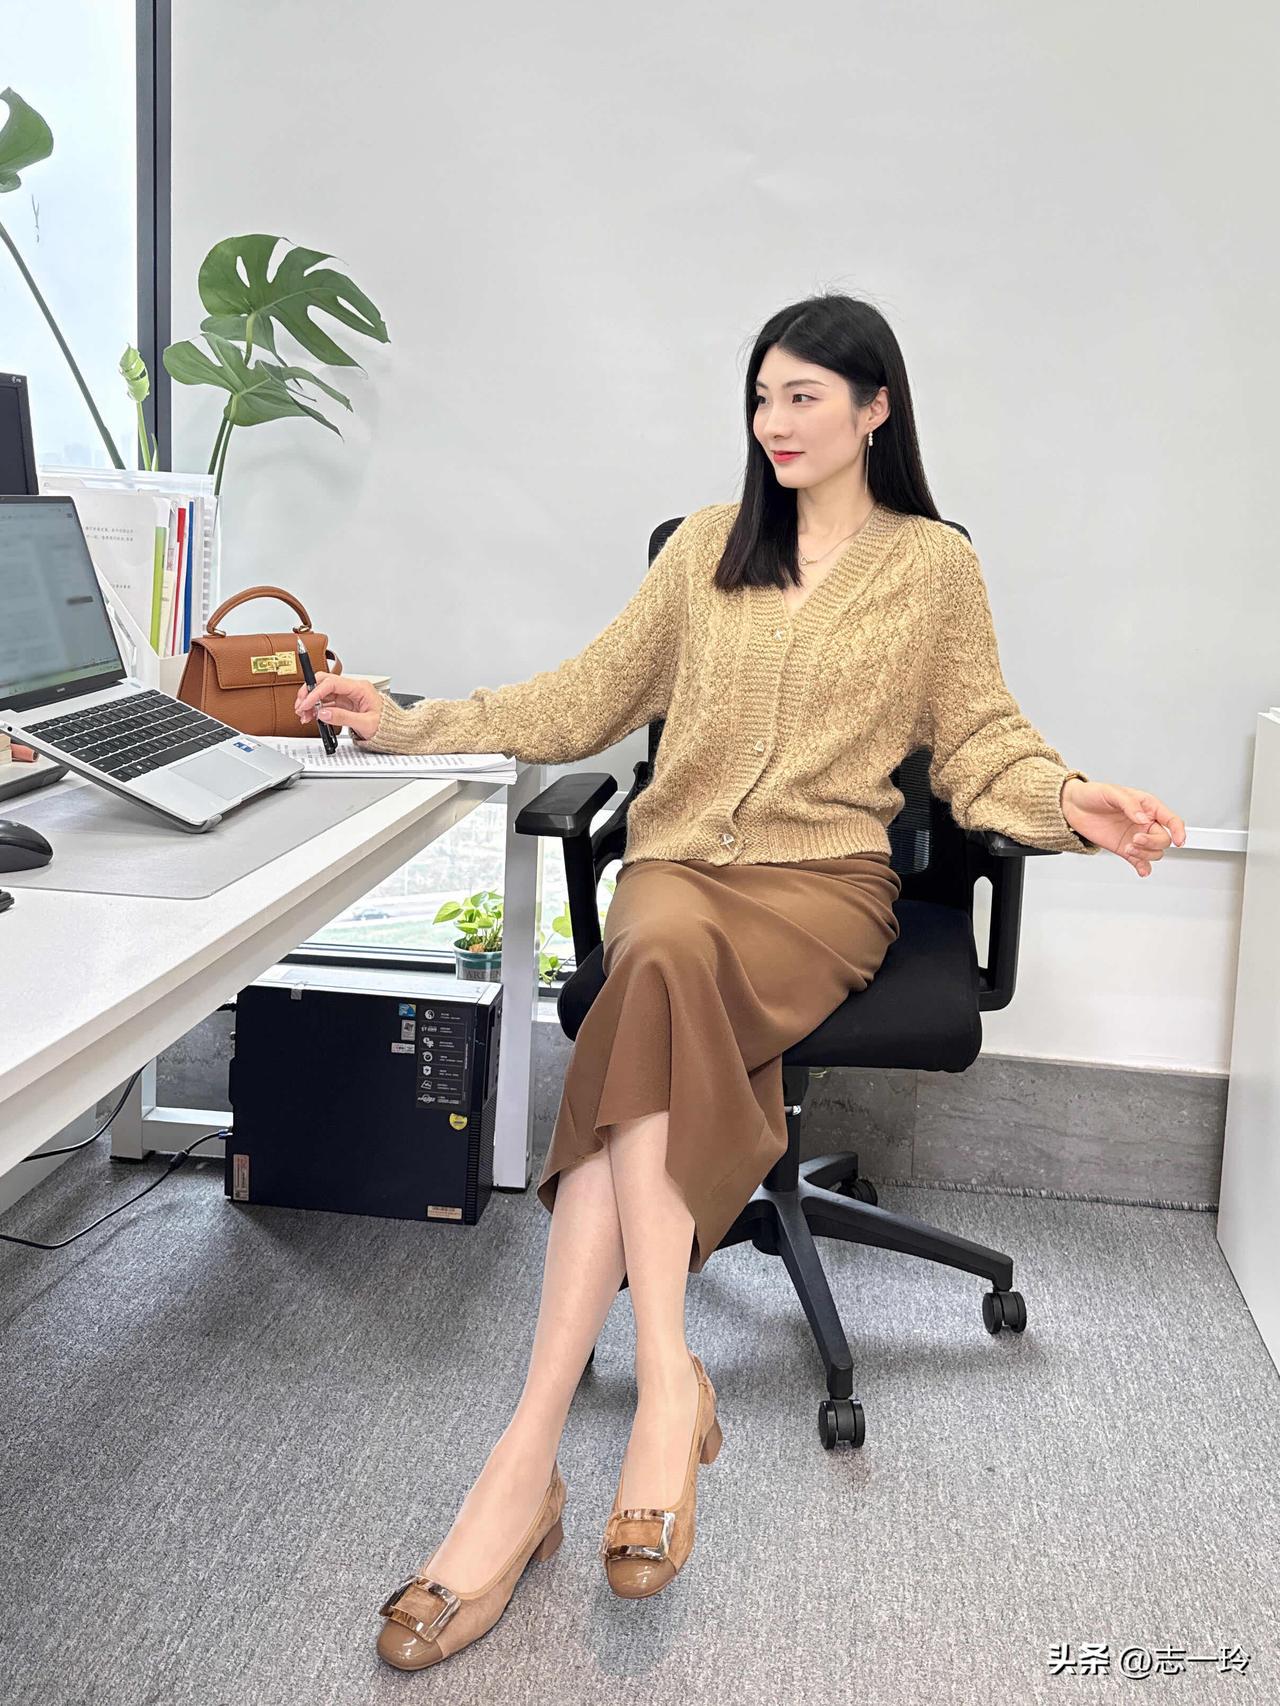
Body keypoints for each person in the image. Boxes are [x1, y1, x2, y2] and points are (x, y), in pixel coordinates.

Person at [295, 293, 1186, 1671]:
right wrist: (412, 719)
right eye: (761, 397)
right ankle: (661, 1394)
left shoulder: (932, 569)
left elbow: (981, 746)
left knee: (651, 987)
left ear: (875, 409)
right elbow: (580, 699)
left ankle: (524, 1469)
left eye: (803, 397)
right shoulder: (708, 549)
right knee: (660, 950)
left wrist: (1072, 803)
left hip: (820, 891)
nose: (775, 422)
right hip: (677, 875)